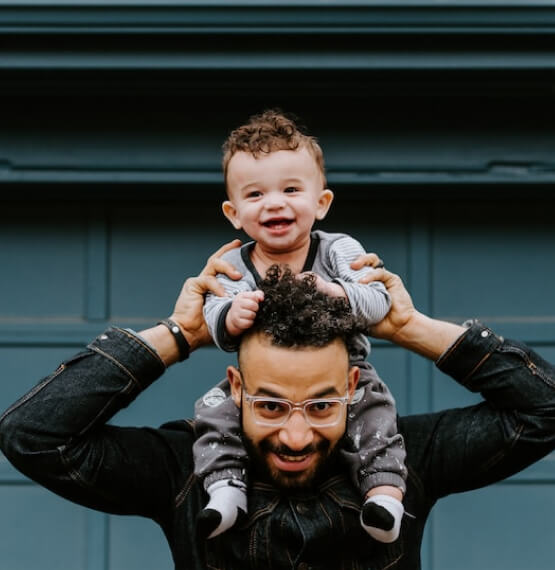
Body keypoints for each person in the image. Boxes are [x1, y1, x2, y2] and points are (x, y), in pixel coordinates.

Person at [0, 242, 554, 570]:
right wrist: (181, 334)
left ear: (354, 385)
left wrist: (410, 328)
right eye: (269, 405)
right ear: (235, 389)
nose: (295, 436)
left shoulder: (408, 460)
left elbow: (544, 410)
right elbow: (33, 435)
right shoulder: (182, 469)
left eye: (320, 407)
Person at [197, 109, 405, 541]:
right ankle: (225, 490)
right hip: (261, 383)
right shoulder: (232, 263)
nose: (274, 202)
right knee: (213, 413)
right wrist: (229, 316)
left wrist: (338, 293)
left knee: (376, 414)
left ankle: (383, 495)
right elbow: (213, 316)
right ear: (234, 213)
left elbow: (378, 300)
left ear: (321, 202)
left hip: (346, 370)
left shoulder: (337, 250)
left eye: (291, 189)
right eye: (255, 196)